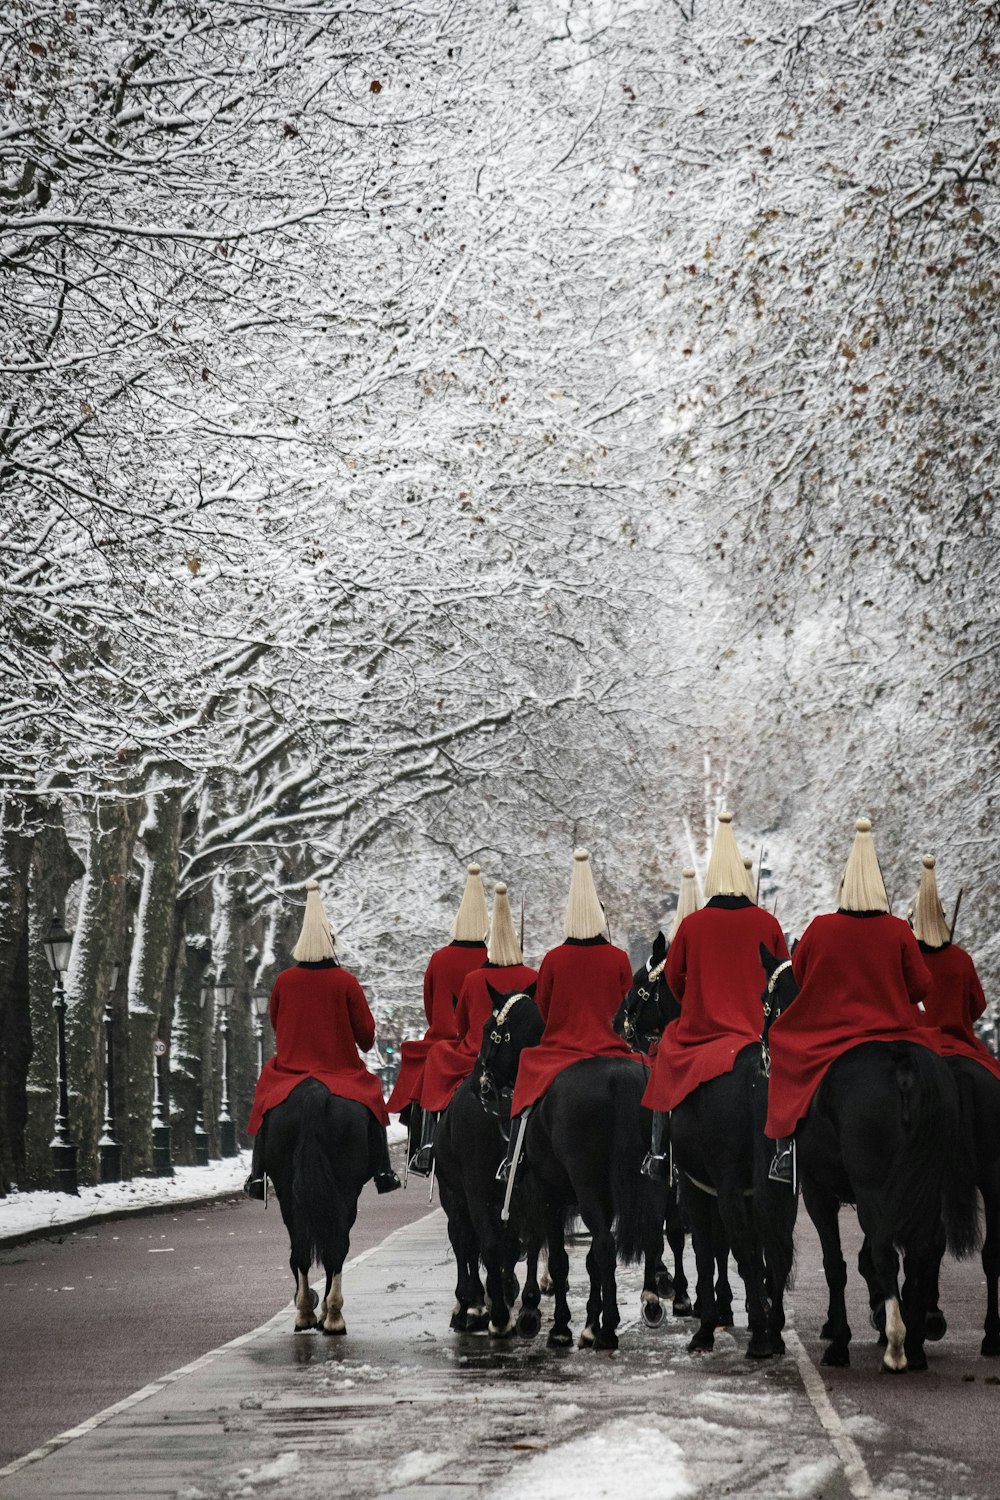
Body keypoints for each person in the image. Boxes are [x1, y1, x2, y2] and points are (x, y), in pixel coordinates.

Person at [765, 818, 936, 1181]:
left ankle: (786, 1153)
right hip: (894, 1040)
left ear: (844, 884)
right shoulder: (898, 930)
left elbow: (799, 977)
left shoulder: (820, 928)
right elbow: (922, 988)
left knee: (782, 1051)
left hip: (832, 1043)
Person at [641, 812, 789, 1171]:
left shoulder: (692, 926)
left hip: (702, 1035)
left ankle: (660, 1154)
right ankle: (786, 1152)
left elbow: (673, 982)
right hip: (756, 1036)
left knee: (663, 1060)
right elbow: (783, 979)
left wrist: (699, 999)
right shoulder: (767, 923)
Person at [244, 880, 400, 1198]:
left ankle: (257, 1174)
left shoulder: (284, 981)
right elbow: (367, 1037)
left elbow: (276, 1024)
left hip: (290, 1073)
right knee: (371, 1099)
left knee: (265, 1101)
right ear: (332, 944)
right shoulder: (346, 981)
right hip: (341, 1074)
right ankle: (384, 1170)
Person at [499, 848, 638, 1185]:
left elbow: (543, 1010)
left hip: (561, 1052)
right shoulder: (618, 957)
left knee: (524, 1093)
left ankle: (514, 1159)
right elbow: (628, 1008)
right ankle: (662, 1158)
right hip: (612, 1049)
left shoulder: (553, 959)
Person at [409, 882, 538, 1175]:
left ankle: (427, 1146)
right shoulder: (533, 976)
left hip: (476, 1056)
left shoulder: (473, 979)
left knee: (438, 1055)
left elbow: (461, 1027)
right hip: (521, 1063)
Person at [385, 862, 488, 1167]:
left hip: (446, 1041)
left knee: (426, 1068)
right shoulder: (493, 959)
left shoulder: (439, 959)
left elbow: (431, 1008)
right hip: (483, 1045)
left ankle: (424, 1144)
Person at [911, 855, 1000, 1082]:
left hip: (916, 1048)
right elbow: (977, 1006)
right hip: (961, 1047)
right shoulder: (961, 959)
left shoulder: (904, 960)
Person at [641, 865, 700, 1180]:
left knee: (663, 1074)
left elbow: (673, 987)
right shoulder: (709, 946)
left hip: (690, 1031)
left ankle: (658, 1152)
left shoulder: (673, 958)